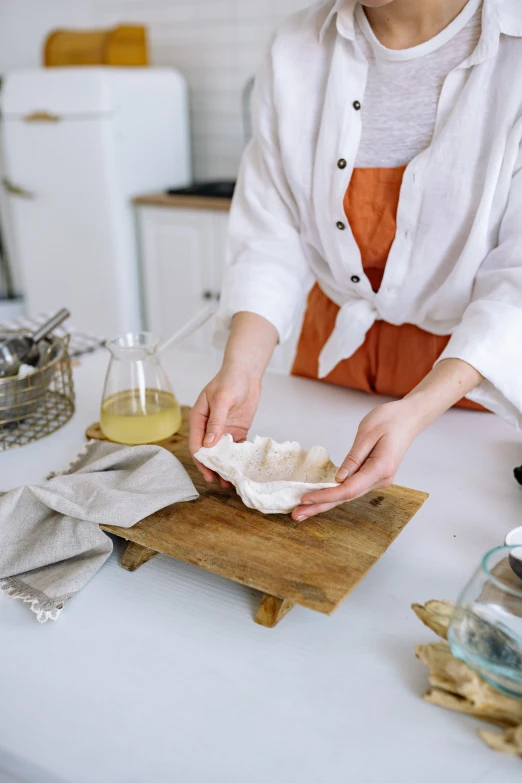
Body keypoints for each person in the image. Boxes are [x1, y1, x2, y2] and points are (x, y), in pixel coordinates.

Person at [189, 0, 522, 522]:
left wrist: (417, 410)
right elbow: (272, 231)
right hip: (332, 359)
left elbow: (518, 281)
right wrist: (242, 367)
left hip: (469, 380)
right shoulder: (296, 46)